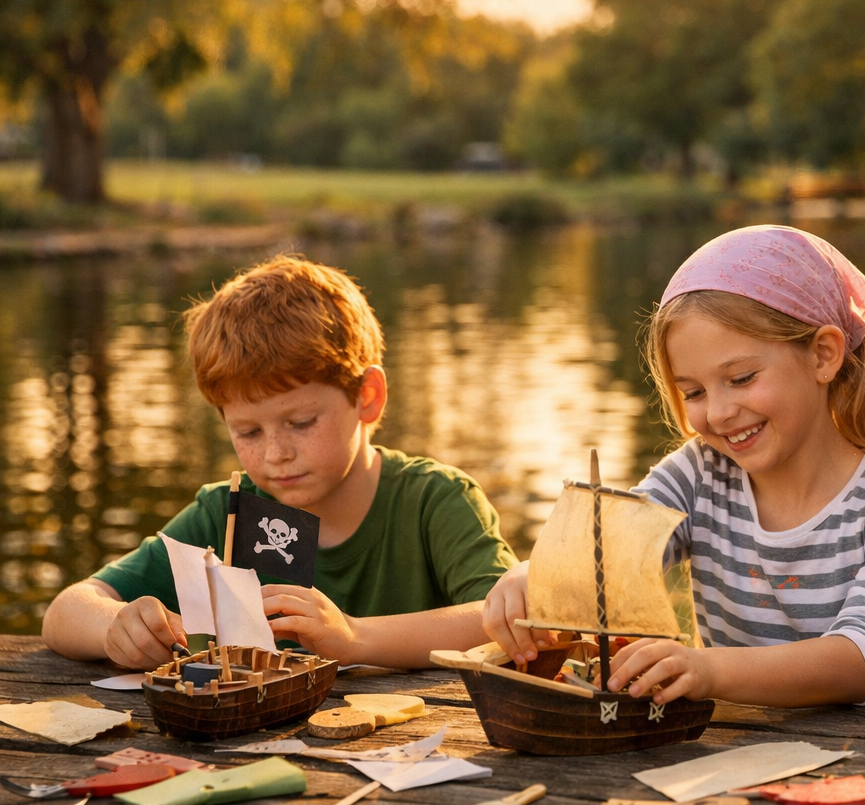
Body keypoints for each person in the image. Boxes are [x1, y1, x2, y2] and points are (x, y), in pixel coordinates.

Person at [482, 225, 865, 708]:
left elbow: (860, 661)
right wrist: (536, 578)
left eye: (742, 378)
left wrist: (707, 669)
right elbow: (607, 560)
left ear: (823, 355)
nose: (720, 411)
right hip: (735, 756)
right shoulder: (698, 475)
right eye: (694, 393)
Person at [42, 255, 513, 670]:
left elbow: (503, 617)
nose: (275, 453)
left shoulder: (436, 500)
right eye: (247, 432)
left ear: (367, 397)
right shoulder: (228, 510)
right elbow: (66, 609)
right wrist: (116, 627)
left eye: (302, 422)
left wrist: (355, 638)